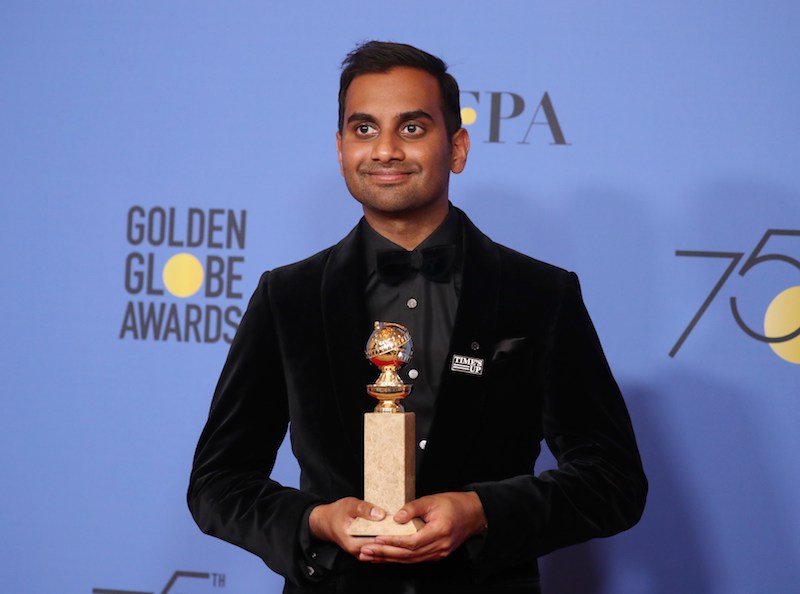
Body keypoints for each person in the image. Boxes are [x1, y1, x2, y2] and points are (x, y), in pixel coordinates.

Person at [188, 40, 647, 594]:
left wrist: (482, 512)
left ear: (457, 147)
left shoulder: (539, 294)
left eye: (411, 128)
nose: (384, 149)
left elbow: (613, 482)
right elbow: (218, 482)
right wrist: (315, 522)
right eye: (363, 129)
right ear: (339, 149)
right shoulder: (287, 297)